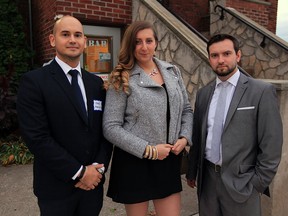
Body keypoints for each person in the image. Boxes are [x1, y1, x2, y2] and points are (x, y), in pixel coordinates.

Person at [17, 15, 112, 216]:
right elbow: (37, 137)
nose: (72, 40)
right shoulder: (34, 82)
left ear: (85, 42)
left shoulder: (96, 84)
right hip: (56, 190)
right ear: (53, 40)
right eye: (65, 34)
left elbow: (105, 132)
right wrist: (80, 173)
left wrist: (97, 171)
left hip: (92, 189)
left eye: (78, 35)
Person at [102, 21, 193, 216]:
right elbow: (110, 126)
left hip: (167, 159)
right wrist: (150, 150)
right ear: (130, 45)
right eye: (138, 42)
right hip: (135, 161)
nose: (144, 47)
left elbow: (186, 109)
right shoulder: (121, 77)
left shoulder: (172, 71)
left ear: (156, 43)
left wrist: (184, 138)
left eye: (149, 41)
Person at [186, 33, 283, 216]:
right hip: (207, 182)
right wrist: (192, 171)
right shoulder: (204, 94)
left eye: (226, 54)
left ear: (237, 55)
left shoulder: (260, 92)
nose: (220, 60)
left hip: (243, 184)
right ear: (209, 59)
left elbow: (271, 143)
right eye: (214, 55)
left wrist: (257, 184)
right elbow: (198, 137)